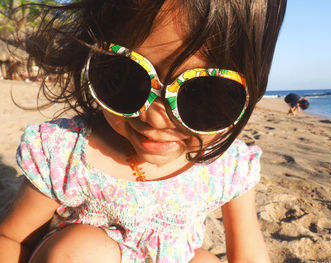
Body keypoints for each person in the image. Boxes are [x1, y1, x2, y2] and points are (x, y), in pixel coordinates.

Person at [0, 0, 287, 262]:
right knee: (81, 250)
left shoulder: (227, 166)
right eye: (127, 77)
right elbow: (13, 239)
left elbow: (248, 255)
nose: (156, 118)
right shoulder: (69, 153)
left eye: (202, 94)